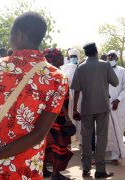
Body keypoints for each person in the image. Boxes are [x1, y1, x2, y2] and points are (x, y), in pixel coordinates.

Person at [0, 11, 68, 179]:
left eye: (10, 34)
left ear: (19, 34)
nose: (10, 39)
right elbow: (37, 135)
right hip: (28, 169)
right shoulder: (57, 78)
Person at [71, 42, 119, 178]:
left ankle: (85, 169)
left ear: (86, 54)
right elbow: (115, 82)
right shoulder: (105, 65)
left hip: (86, 107)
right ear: (96, 51)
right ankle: (100, 170)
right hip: (102, 106)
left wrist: (75, 109)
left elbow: (76, 90)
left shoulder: (80, 67)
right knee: (102, 137)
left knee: (86, 138)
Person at [42, 48, 73, 180]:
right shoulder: (57, 74)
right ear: (53, 59)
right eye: (60, 55)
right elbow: (58, 99)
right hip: (58, 116)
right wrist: (66, 116)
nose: (63, 57)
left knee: (47, 144)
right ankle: (55, 173)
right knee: (60, 144)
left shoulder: (43, 73)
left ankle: (43, 170)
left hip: (45, 117)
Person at [105, 50, 125, 165]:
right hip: (105, 104)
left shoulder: (122, 70)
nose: (110, 57)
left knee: (118, 130)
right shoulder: (103, 69)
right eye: (108, 56)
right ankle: (103, 154)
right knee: (105, 130)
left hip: (118, 105)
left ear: (116, 58)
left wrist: (118, 100)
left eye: (113, 56)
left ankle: (115, 156)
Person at [61, 49, 82, 148]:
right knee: (69, 117)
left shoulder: (82, 68)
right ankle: (69, 142)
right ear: (69, 57)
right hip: (68, 97)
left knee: (80, 117)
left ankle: (81, 140)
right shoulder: (64, 68)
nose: (73, 58)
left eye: (75, 56)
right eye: (71, 56)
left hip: (80, 96)